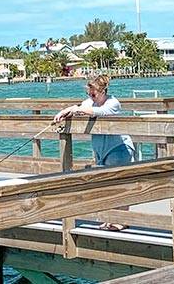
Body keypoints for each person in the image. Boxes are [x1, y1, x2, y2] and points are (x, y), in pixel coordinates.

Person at [53, 73, 135, 231]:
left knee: (119, 184)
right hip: (100, 149)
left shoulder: (113, 103)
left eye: (93, 93)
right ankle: (108, 218)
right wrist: (64, 112)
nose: (91, 96)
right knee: (103, 184)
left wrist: (78, 109)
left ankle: (122, 220)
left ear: (102, 91)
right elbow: (79, 108)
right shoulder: (89, 102)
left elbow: (98, 112)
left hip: (118, 147)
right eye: (88, 94)